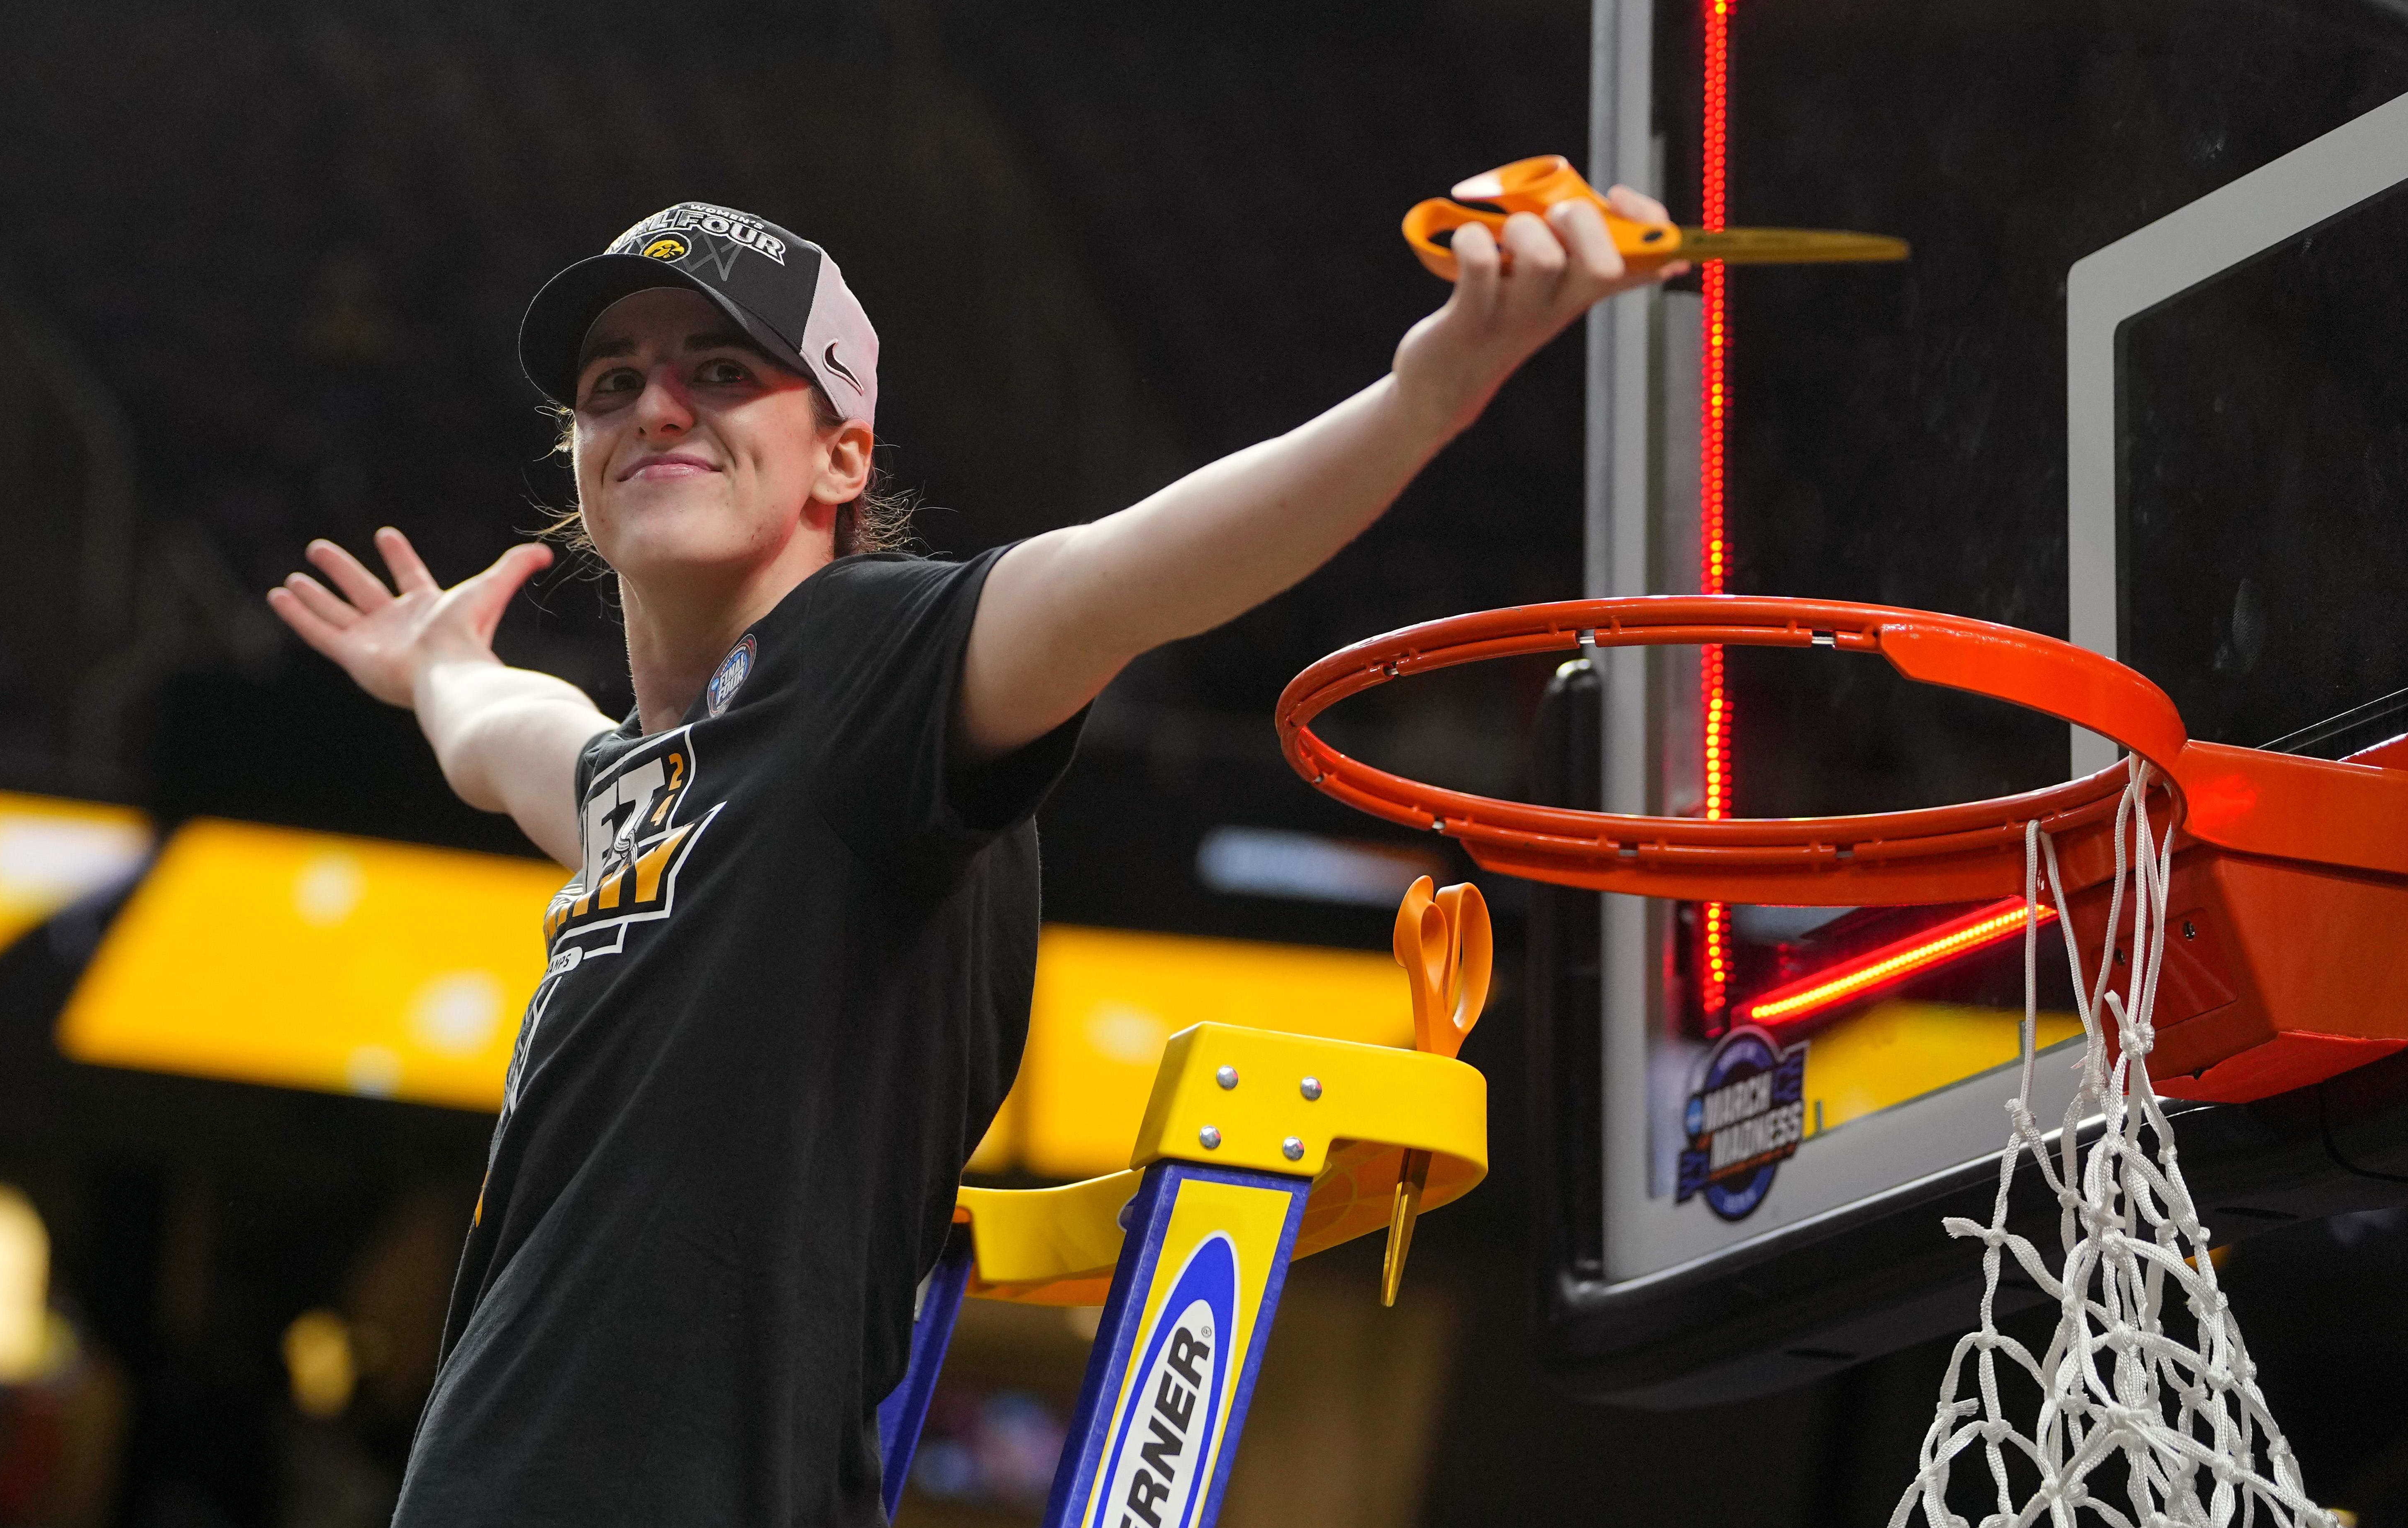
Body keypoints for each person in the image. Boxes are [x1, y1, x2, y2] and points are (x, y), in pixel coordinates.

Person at [266, 190, 1679, 1525]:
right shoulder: (652, 787)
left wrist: (1425, 391)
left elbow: (1133, 572)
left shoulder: (865, 668)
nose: (654, 402)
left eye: (719, 367)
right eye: (609, 383)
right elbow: (515, 729)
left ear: (842, 456)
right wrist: (438, 667)